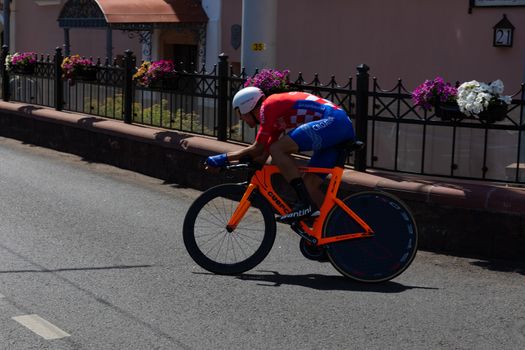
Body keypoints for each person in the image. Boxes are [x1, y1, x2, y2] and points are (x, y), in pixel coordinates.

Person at [206, 87, 355, 222]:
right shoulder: (275, 118)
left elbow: (258, 148)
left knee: (278, 149)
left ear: (247, 107)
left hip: (334, 122)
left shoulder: (268, 107)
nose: (240, 118)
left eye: (239, 113)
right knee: (309, 185)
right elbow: (263, 153)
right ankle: (336, 227)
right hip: (336, 125)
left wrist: (221, 158)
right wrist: (243, 165)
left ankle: (304, 203)